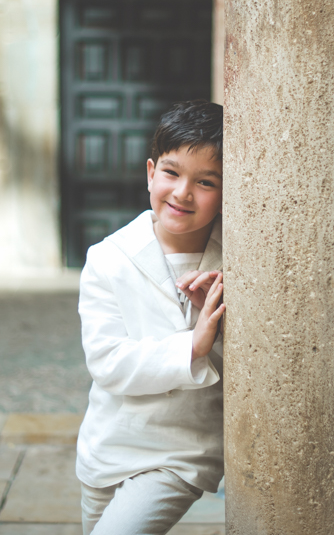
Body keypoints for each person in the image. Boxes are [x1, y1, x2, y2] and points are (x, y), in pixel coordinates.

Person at [75, 100, 226, 535]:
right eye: (171, 173)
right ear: (150, 173)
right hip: (108, 446)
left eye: (206, 182)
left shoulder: (235, 261)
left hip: (181, 452)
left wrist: (215, 332)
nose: (182, 193)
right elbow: (107, 362)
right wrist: (191, 345)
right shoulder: (108, 258)